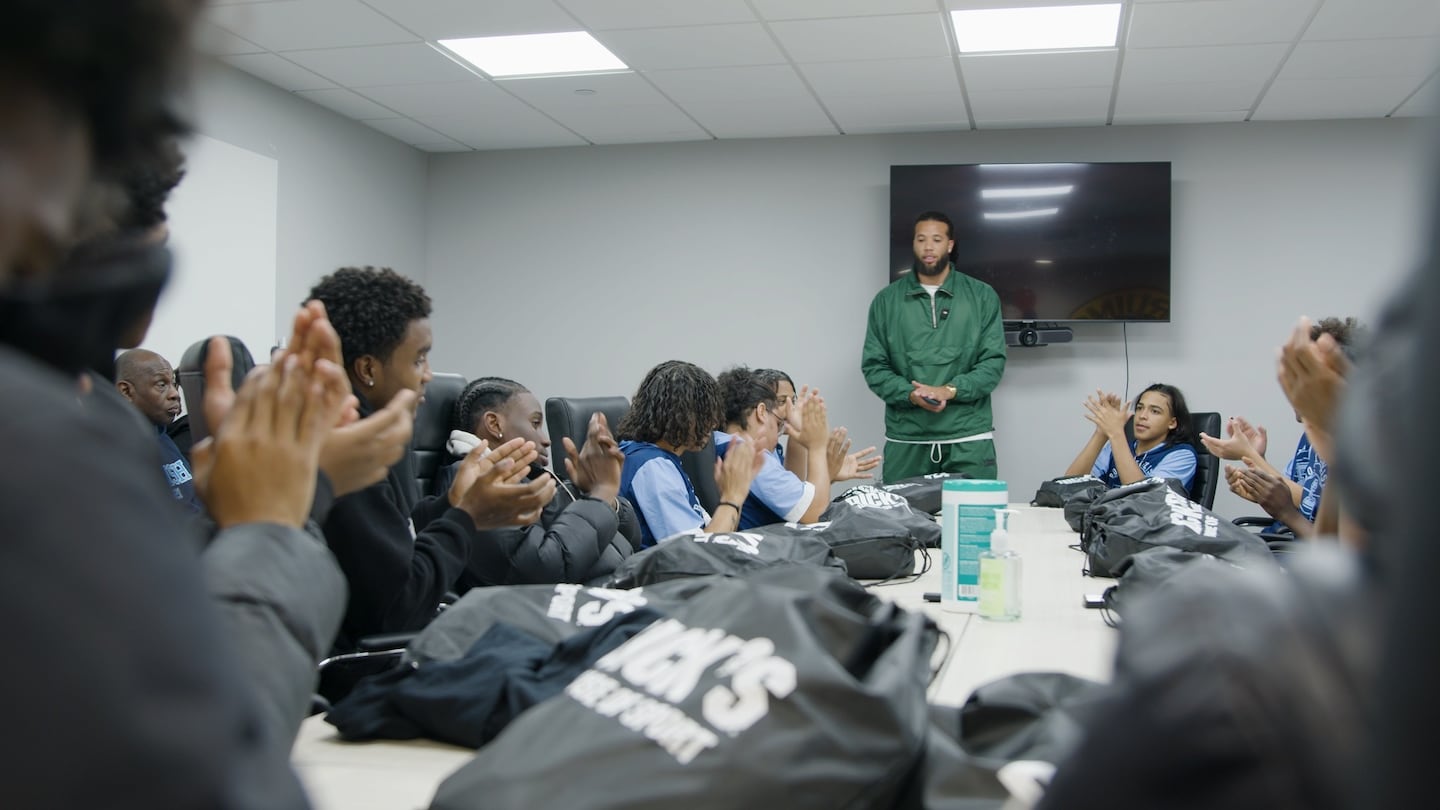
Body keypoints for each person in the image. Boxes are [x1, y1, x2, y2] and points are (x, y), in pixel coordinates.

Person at [309, 266, 557, 656]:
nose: (427, 375)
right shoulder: (344, 456)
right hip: (366, 673)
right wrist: (467, 518)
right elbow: (399, 608)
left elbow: (393, 536)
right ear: (368, 369)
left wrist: (452, 503)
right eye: (419, 359)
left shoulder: (354, 432)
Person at [436, 376, 640, 587]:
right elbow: (542, 569)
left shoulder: (532, 476)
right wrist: (600, 494)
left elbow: (632, 540)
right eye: (535, 424)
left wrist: (599, 497)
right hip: (570, 610)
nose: (546, 439)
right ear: (494, 424)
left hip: (614, 593)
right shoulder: (476, 483)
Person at [862, 210, 1007, 482]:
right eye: (921, 239)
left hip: (969, 437)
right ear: (914, 244)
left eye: (937, 239)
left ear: (950, 245)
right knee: (902, 523)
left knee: (973, 522)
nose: (928, 247)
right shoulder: (886, 301)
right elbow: (874, 367)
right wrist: (910, 394)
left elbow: (993, 364)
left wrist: (949, 390)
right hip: (907, 439)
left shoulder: (982, 296)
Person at [1201, 317, 1360, 537]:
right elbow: (1293, 494)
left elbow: (1336, 547)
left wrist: (1250, 457)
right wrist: (1259, 473)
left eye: (1308, 377)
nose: (1297, 388)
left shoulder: (1364, 450)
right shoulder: (1311, 437)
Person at [616, 360, 763, 547]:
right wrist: (732, 497)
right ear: (678, 414)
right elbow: (697, 555)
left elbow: (718, 536)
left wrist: (735, 492)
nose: (712, 423)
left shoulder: (652, 457)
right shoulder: (653, 468)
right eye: (705, 413)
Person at [713, 366, 832, 529]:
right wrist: (817, 447)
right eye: (780, 403)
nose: (790, 413)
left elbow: (796, 490)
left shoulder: (718, 443)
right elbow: (815, 513)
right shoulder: (750, 456)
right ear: (762, 411)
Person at [755, 367, 882, 486]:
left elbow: (797, 486)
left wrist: (801, 430)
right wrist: (826, 470)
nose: (791, 409)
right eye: (782, 401)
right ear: (759, 409)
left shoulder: (774, 450)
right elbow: (804, 507)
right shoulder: (759, 459)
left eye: (793, 401)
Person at [114, 347, 204, 512]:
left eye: (174, 383)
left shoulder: (160, 433)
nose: (174, 394)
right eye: (161, 384)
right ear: (126, 391)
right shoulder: (120, 450)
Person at [1063, 383, 1198, 490]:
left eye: (1155, 411)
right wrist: (1101, 434)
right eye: (1139, 408)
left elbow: (1143, 500)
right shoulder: (1115, 447)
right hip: (1106, 519)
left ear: (1172, 422)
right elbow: (1068, 485)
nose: (1142, 416)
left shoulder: (1182, 455)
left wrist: (1116, 434)